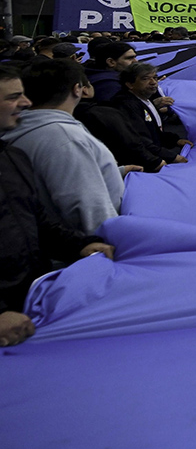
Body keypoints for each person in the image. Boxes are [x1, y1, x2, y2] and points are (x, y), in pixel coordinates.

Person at [1, 64, 115, 347]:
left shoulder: (11, 156)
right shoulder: (59, 139)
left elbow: (35, 218)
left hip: (28, 300)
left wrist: (81, 245)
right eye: (13, 97)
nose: (26, 103)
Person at [2, 59, 131, 233]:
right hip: (84, 244)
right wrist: (113, 240)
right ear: (77, 89)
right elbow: (89, 207)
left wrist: (111, 171)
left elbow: (52, 175)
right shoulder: (64, 138)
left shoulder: (29, 128)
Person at [111, 63, 191, 167]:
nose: (153, 82)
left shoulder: (144, 100)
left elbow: (154, 132)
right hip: (141, 164)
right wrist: (170, 157)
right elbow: (139, 140)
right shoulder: (126, 105)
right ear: (130, 84)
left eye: (155, 78)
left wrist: (175, 141)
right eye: (145, 79)